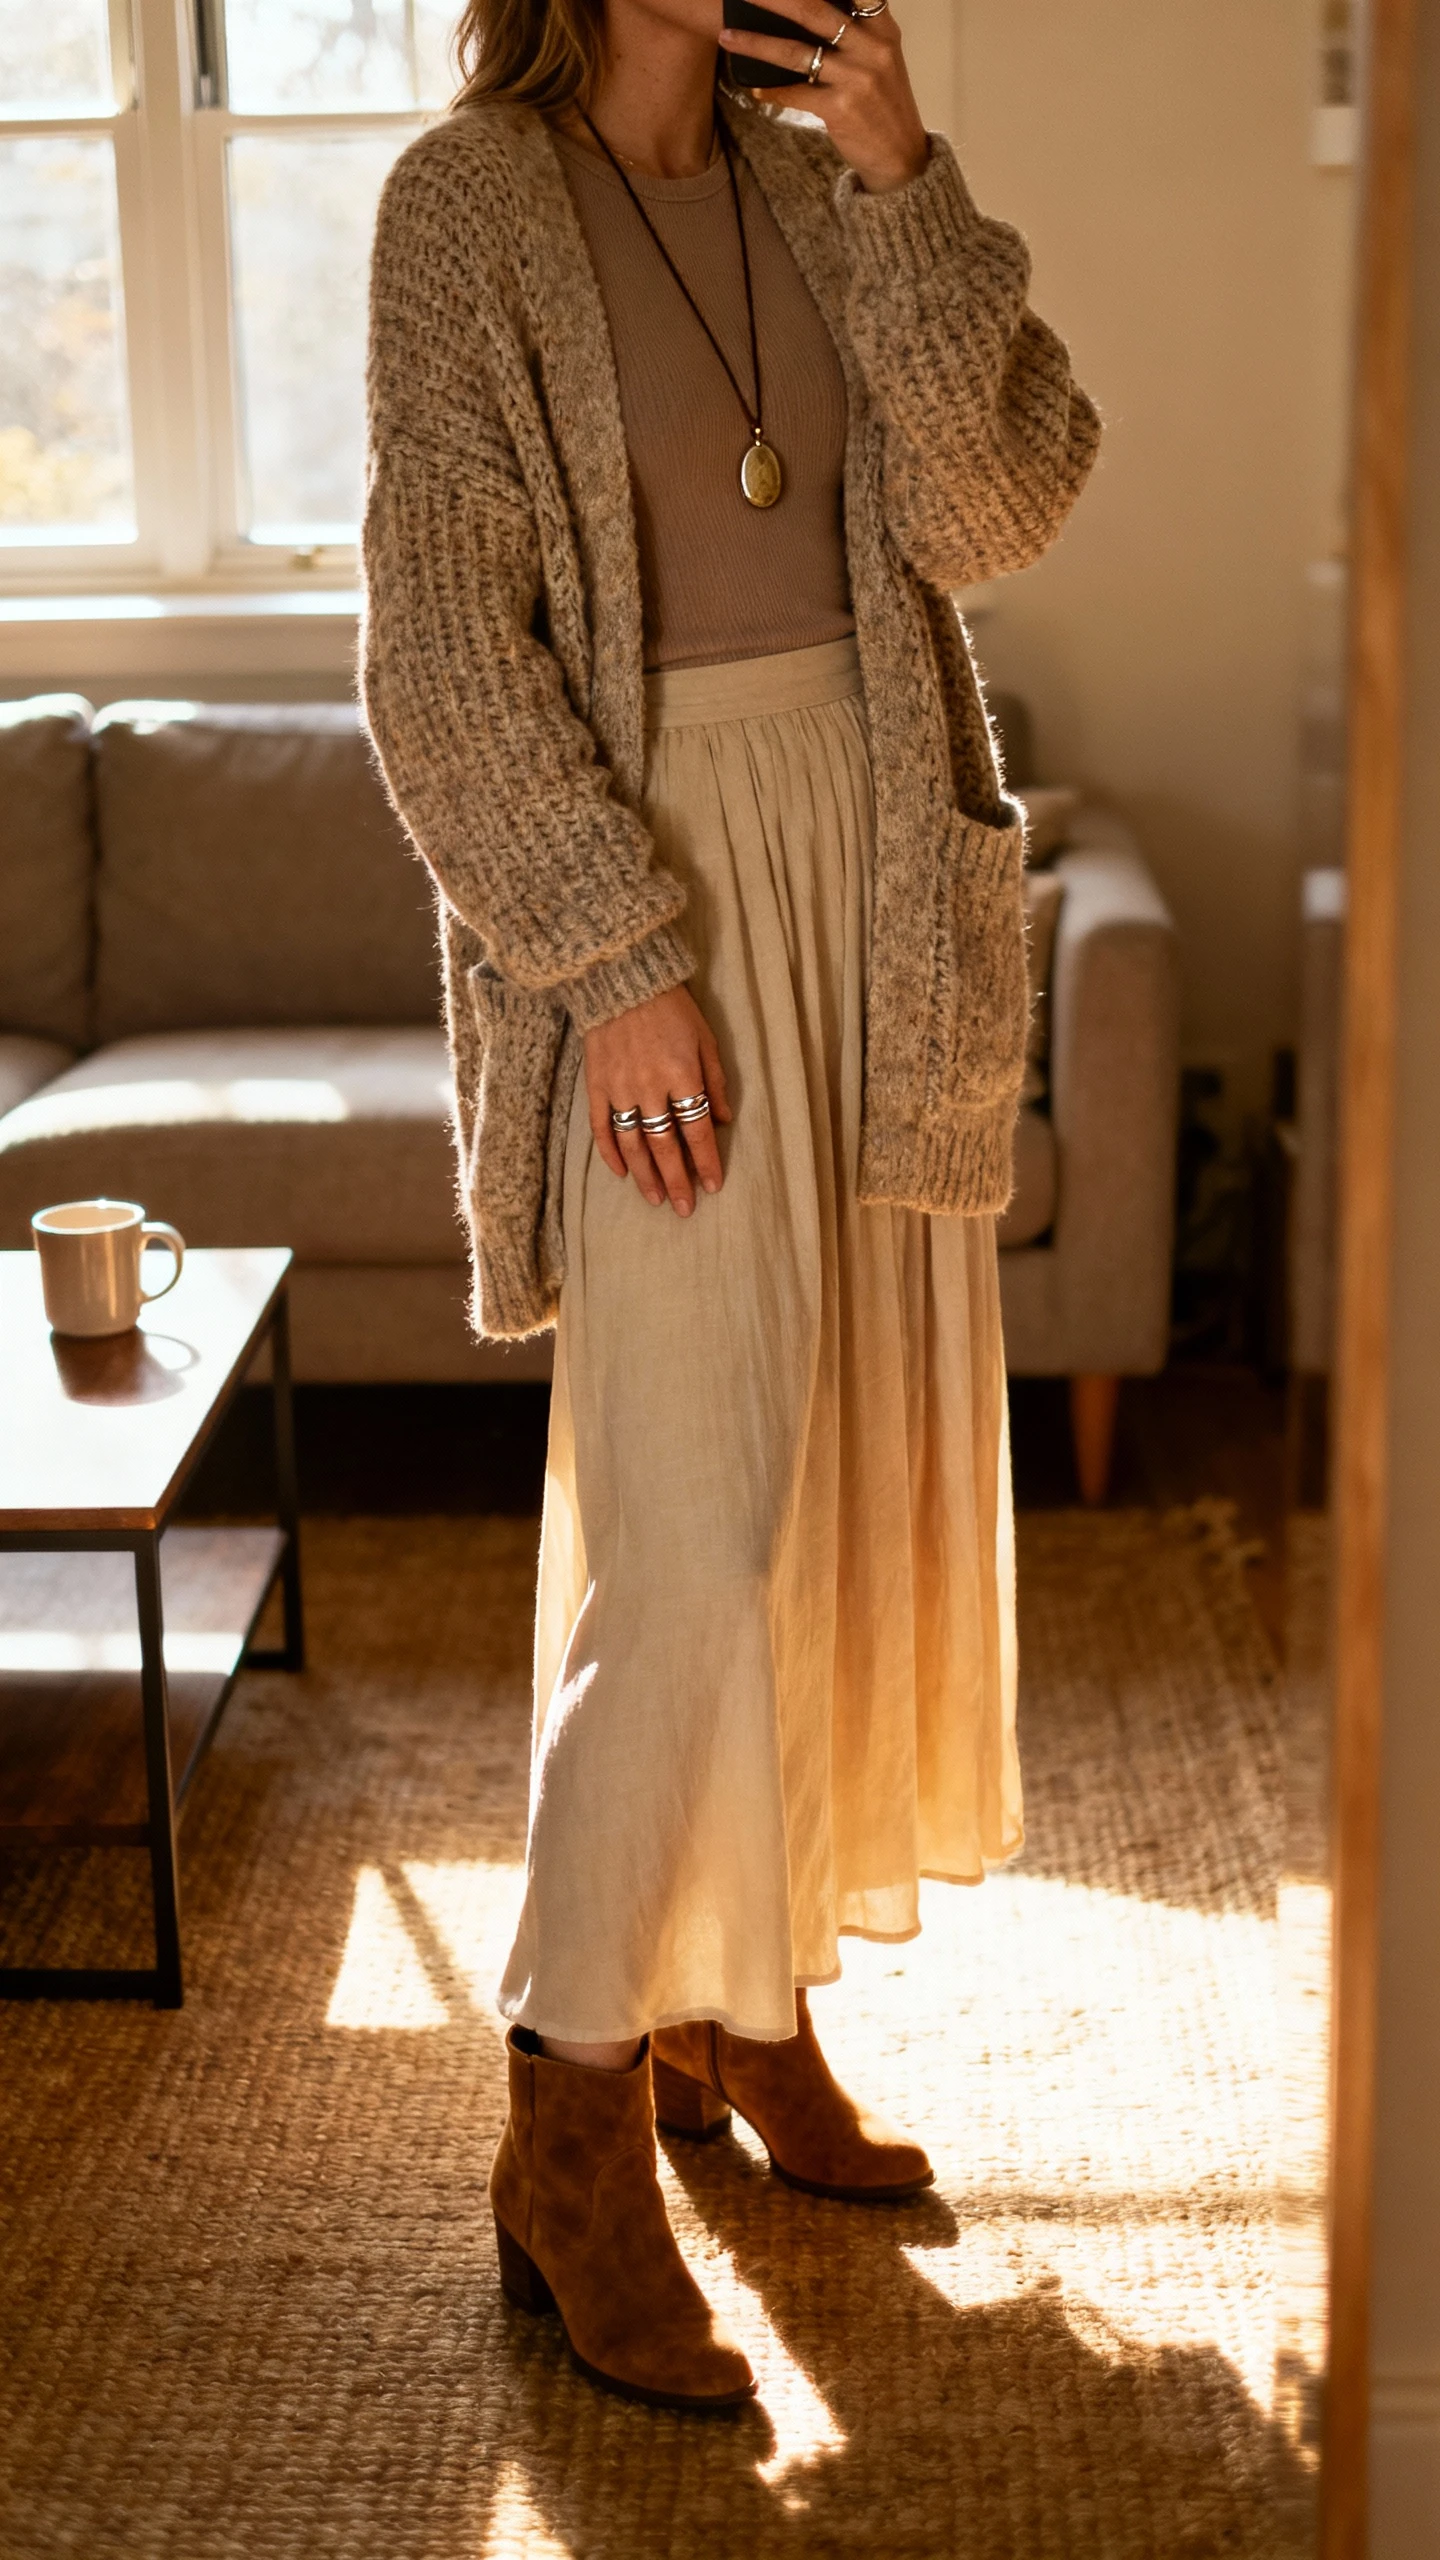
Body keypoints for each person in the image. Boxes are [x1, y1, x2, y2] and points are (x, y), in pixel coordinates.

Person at [362, 0, 1099, 2414]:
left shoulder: (819, 175)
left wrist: (906, 178)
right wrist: (613, 965)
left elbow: (1000, 515)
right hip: (650, 890)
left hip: (873, 879)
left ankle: (742, 2000)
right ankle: (569, 2126)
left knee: (819, 1504)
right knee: (682, 1533)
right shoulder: (463, 209)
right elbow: (442, 655)